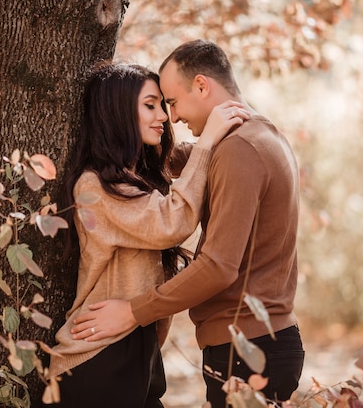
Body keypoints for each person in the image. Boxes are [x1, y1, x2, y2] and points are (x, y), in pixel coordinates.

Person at [71, 40, 305, 407]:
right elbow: (175, 165)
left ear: (201, 85)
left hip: (248, 345)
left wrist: (134, 310)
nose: (172, 117)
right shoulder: (255, 136)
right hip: (247, 342)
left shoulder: (238, 149)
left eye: (172, 102)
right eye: (155, 106)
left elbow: (216, 267)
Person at [47, 62, 249, 408]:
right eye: (150, 105)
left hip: (135, 351)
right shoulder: (94, 186)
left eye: (163, 105)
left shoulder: (133, 181)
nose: (164, 117)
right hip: (97, 356)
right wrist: (207, 141)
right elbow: (172, 222)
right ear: (118, 112)